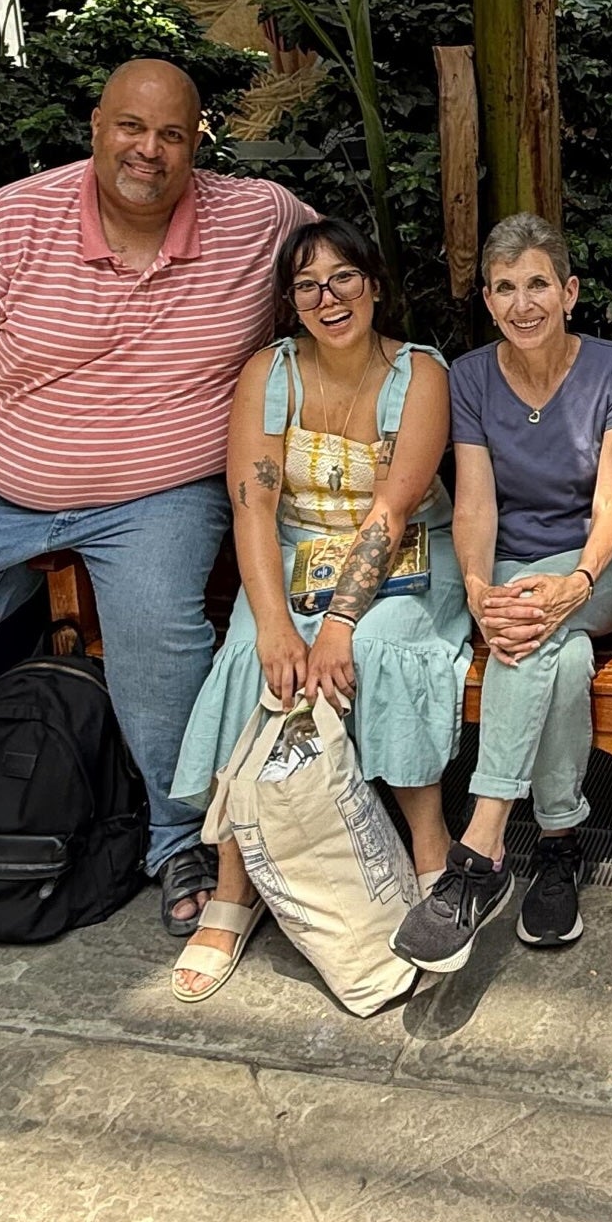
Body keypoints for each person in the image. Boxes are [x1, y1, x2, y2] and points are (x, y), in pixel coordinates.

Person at [0, 60, 313, 935]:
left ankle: (178, 835)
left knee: (157, 634)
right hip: (0, 490)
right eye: (131, 127)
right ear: (96, 127)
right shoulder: (11, 221)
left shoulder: (260, 219)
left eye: (172, 134)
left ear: (198, 145)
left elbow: (340, 279)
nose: (149, 150)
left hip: (160, 492)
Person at [165, 219, 469, 1001]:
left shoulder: (419, 373)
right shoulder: (269, 372)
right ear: (290, 302)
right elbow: (253, 509)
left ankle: (430, 851)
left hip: (405, 553)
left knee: (378, 650)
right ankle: (235, 885)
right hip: (292, 553)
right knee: (251, 660)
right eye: (307, 286)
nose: (328, 299)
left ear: (374, 285)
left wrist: (338, 624)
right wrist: (273, 625)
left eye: (343, 279)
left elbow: (392, 513)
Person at [394, 214, 612, 971]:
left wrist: (576, 582)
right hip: (508, 574)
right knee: (556, 658)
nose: (523, 303)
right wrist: (477, 590)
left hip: (596, 571)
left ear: (569, 292)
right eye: (505, 288)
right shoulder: (470, 377)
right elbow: (475, 502)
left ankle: (482, 846)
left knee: (535, 630)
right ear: (488, 300)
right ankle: (561, 842)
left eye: (538, 284)